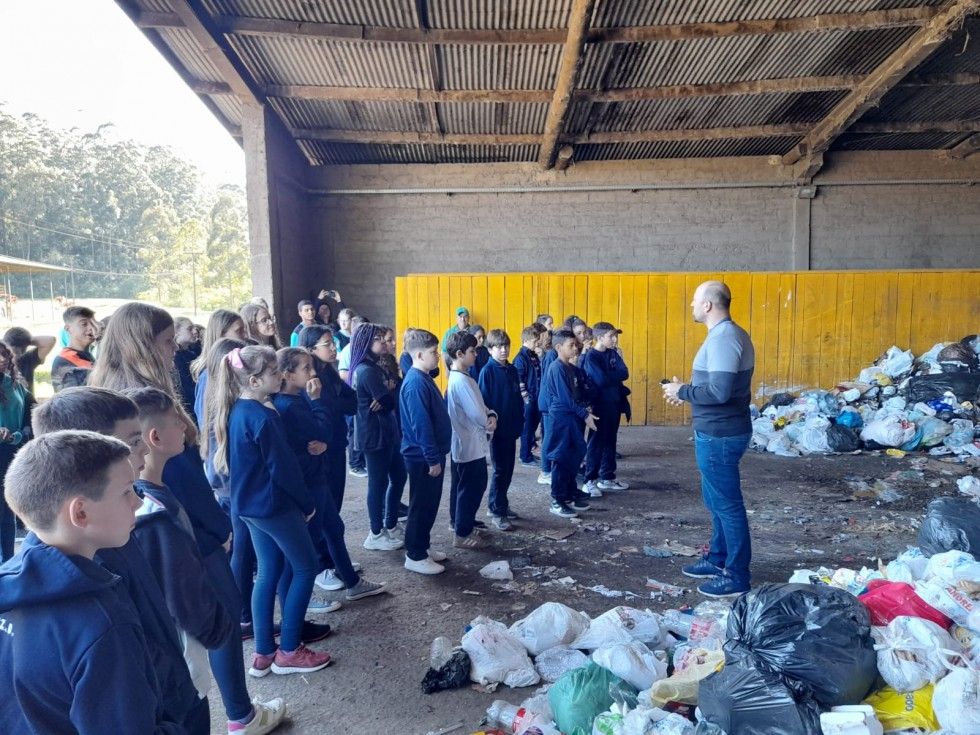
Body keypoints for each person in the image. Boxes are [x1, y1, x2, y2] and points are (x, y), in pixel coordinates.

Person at [87, 303, 284, 730]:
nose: (173, 349)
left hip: (162, 522)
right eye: (164, 342)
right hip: (181, 525)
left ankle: (232, 708)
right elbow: (177, 475)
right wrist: (217, 528)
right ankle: (239, 713)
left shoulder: (114, 390)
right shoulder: (140, 403)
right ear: (141, 343)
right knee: (216, 619)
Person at [30, 388, 211, 732]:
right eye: (132, 441)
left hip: (174, 691)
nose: (144, 447)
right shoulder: (100, 544)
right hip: (161, 706)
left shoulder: (117, 527)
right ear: (90, 452)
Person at [0, 431, 185, 734]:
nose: (138, 502)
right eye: (127, 491)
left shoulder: (10, 583)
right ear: (81, 512)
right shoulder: (102, 626)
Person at [213, 345, 332, 676]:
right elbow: (284, 469)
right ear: (253, 380)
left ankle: (264, 651)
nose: (279, 376)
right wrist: (306, 504)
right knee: (306, 568)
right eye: (273, 372)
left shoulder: (239, 410)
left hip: (250, 508)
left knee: (267, 571)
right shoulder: (264, 417)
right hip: (274, 507)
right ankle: (290, 649)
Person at [126, 386, 237, 734]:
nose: (186, 428)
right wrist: (218, 627)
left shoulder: (153, 494)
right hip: (182, 665)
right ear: (155, 437)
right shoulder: (153, 517)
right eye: (178, 421)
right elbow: (183, 596)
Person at [663, 281, 755, 599]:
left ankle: (736, 574)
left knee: (728, 506)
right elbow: (714, 385)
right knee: (716, 501)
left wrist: (684, 392)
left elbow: (719, 392)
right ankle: (718, 559)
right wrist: (686, 391)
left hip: (721, 434)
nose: (690, 306)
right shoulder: (724, 337)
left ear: (707, 306)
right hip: (717, 430)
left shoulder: (725, 338)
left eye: (694, 301)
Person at [273, 347, 386, 604]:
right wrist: (318, 403)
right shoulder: (290, 404)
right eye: (306, 368)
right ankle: (301, 599)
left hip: (316, 474)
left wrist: (322, 441)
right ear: (288, 375)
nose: (313, 373)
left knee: (334, 528)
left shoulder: (298, 398)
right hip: (307, 480)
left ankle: (352, 582)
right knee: (305, 544)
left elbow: (322, 433)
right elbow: (322, 429)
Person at [399, 328, 452, 575]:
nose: (438, 356)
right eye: (433, 352)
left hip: (430, 454)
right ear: (419, 355)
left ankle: (423, 545)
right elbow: (421, 426)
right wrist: (432, 458)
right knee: (421, 504)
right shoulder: (415, 383)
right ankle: (415, 554)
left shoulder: (423, 378)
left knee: (429, 503)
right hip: (421, 457)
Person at [349, 324, 404, 552]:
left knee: (399, 476)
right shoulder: (367, 371)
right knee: (378, 484)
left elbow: (391, 394)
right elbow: (389, 399)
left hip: (386, 431)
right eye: (379, 339)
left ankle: (391, 523)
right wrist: (387, 393)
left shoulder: (376, 367)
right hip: (374, 435)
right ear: (366, 343)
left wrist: (388, 391)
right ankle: (375, 532)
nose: (383, 342)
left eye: (383, 337)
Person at [445, 331, 495, 549]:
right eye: (472, 351)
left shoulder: (463, 377)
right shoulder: (461, 381)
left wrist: (490, 414)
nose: (475, 355)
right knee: (471, 487)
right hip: (468, 444)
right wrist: (489, 419)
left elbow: (481, 407)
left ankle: (461, 523)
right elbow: (477, 413)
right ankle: (461, 533)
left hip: (467, 443)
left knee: (463, 486)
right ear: (459, 354)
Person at [542, 329, 597, 519]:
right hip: (562, 419)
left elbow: (579, 392)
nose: (576, 348)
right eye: (571, 345)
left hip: (573, 417)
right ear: (558, 347)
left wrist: (585, 407)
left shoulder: (572, 368)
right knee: (561, 456)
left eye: (576, 344)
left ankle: (570, 491)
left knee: (575, 454)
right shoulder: (556, 368)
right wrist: (584, 414)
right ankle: (557, 499)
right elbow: (565, 399)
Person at [478, 329, 524, 531]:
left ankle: (499, 503)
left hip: (512, 427)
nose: (504, 350)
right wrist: (490, 423)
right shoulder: (487, 372)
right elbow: (485, 402)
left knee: (508, 470)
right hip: (498, 430)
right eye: (499, 347)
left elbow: (516, 398)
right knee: (500, 470)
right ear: (490, 349)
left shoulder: (512, 370)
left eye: (506, 346)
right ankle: (497, 511)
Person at [581, 322, 630, 498]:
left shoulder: (613, 353)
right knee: (596, 443)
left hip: (614, 403)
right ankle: (589, 481)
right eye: (611, 336)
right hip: (599, 405)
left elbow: (625, 373)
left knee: (610, 440)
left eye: (615, 335)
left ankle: (607, 477)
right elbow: (600, 380)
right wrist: (613, 375)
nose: (615, 339)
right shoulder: (591, 357)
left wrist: (610, 375)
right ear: (600, 337)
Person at [0, 343, 33, 562]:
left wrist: (16, 436)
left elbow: (30, 421)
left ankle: (8, 561)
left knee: (6, 510)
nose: (1, 360)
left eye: (3, 355)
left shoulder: (16, 386)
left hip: (8, 453)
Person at [338, 316, 368, 477]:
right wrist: (363, 377)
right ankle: (355, 464)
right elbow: (343, 374)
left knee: (361, 429)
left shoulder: (365, 350)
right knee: (353, 431)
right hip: (353, 396)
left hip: (363, 397)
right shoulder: (348, 350)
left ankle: (362, 461)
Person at [191, 309, 249, 381]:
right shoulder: (207, 376)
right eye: (239, 331)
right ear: (220, 335)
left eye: (244, 330)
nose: (245, 336)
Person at [513, 325, 542, 468]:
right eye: (535, 341)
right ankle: (524, 457)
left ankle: (529, 452)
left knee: (532, 427)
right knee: (527, 428)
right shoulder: (520, 358)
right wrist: (527, 400)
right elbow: (519, 381)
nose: (537, 343)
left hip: (536, 397)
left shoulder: (533, 355)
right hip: (528, 399)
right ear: (527, 340)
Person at [51, 305, 97, 391]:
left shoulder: (89, 354)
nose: (91, 328)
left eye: (93, 323)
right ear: (68, 329)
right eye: (84, 324)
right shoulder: (64, 360)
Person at [2, 326, 55, 394]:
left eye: (17, 354)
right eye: (9, 352)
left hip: (28, 403)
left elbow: (50, 341)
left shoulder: (27, 359)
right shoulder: (2, 362)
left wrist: (28, 340)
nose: (13, 357)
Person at [536, 336, 560, 486]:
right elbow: (551, 381)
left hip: (550, 402)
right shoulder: (552, 354)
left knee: (552, 436)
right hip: (548, 402)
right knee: (549, 437)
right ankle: (545, 472)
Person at [173, 316, 200, 422]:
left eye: (194, 328)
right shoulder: (174, 358)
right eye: (189, 329)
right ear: (176, 332)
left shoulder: (192, 355)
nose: (195, 331)